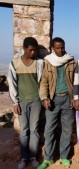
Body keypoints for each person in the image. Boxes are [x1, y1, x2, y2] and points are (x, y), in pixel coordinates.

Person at [38, 37, 76, 169]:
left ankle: (64, 157)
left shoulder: (71, 61)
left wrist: (75, 98)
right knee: (49, 130)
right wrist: (44, 98)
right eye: (57, 47)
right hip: (53, 100)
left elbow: (75, 81)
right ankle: (48, 159)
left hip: (67, 99)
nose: (60, 50)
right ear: (52, 48)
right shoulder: (48, 61)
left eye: (62, 47)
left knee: (67, 129)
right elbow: (43, 82)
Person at [7, 37, 43, 169]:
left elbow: (42, 83)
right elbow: (12, 84)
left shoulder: (39, 63)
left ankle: (33, 157)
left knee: (34, 130)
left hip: (36, 102)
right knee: (24, 131)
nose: (33, 53)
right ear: (24, 49)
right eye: (31, 50)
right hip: (21, 102)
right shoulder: (15, 63)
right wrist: (15, 102)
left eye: (35, 50)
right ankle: (23, 158)